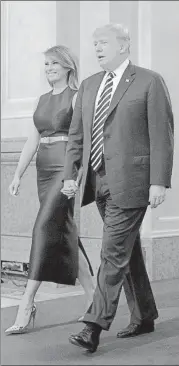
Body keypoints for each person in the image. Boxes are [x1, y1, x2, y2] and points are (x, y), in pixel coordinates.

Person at [63, 23, 174, 352]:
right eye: (94, 43)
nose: (97, 48)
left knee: (112, 251)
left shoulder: (149, 81)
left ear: (124, 46)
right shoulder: (88, 85)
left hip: (134, 180)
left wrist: (158, 181)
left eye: (104, 43)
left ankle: (93, 325)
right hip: (98, 180)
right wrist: (72, 174)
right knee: (127, 251)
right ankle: (144, 314)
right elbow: (76, 135)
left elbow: (162, 136)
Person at [5, 45, 95, 335]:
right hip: (43, 172)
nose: (49, 68)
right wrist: (18, 174)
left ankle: (26, 302)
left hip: (64, 171)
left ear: (68, 66)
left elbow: (82, 139)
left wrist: (76, 175)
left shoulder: (77, 95)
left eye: (54, 63)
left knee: (43, 227)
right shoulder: (40, 99)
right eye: (46, 64)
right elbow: (32, 141)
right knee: (65, 231)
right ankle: (95, 298)